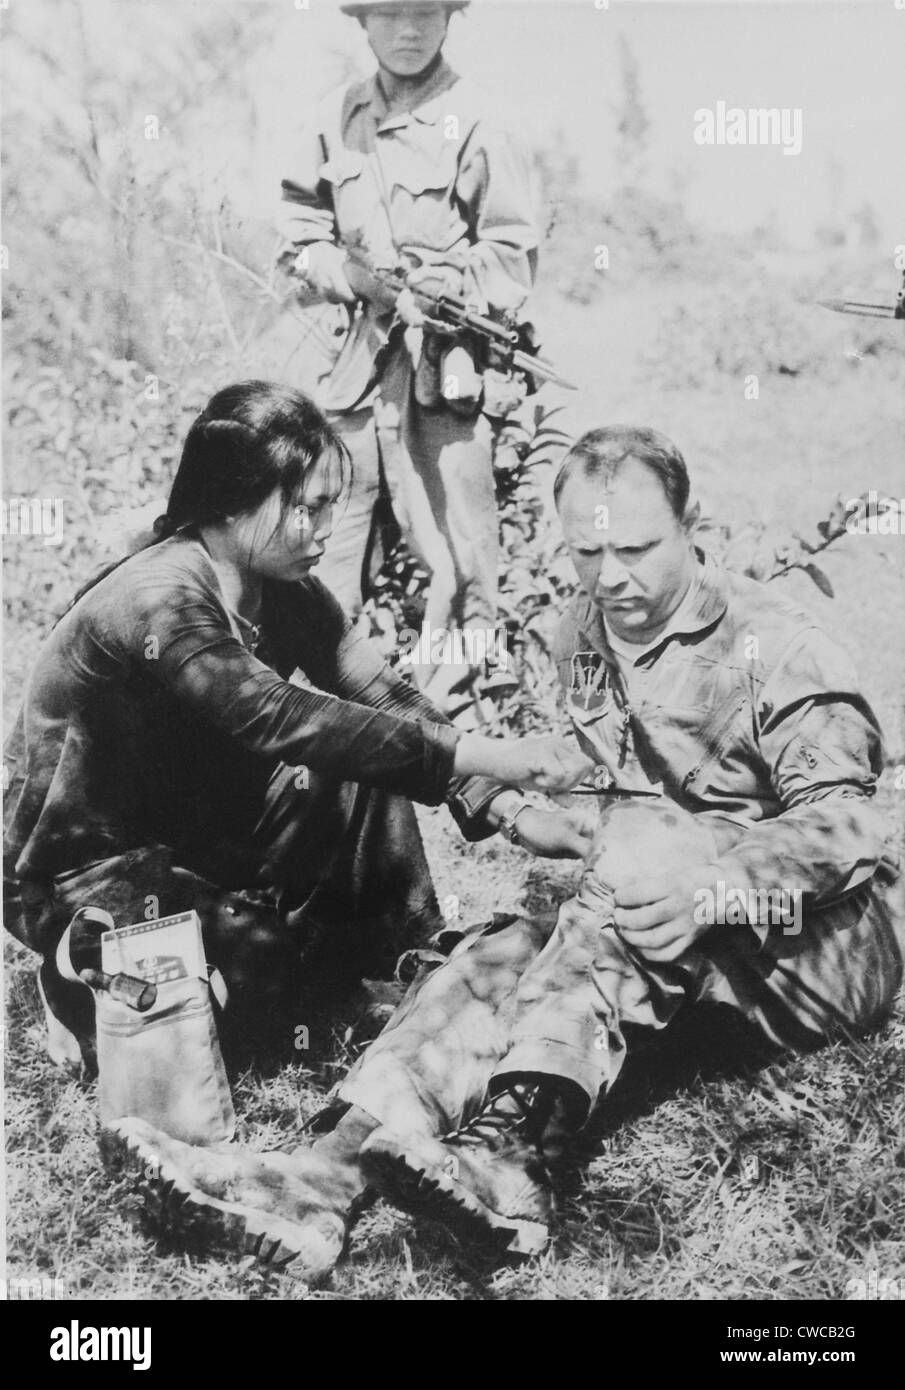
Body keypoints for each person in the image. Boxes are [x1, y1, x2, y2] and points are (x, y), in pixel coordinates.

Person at [102, 423, 901, 1279]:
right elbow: (610, 788)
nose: (611, 578)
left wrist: (709, 888)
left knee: (635, 876)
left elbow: (850, 827)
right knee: (496, 957)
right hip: (651, 938)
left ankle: (514, 1159)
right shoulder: (576, 636)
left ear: (691, 521)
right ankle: (321, 1180)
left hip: (815, 940)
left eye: (636, 548)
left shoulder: (774, 643)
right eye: (585, 552)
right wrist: (547, 816)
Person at [2, 380, 594, 1072]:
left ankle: (400, 955)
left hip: (195, 830)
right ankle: (77, 978)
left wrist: (510, 806)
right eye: (304, 510)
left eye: (328, 509)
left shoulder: (282, 587)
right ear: (231, 500)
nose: (323, 530)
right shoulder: (160, 597)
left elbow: (378, 693)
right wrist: (496, 752)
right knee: (260, 975)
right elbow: (275, 716)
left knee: (357, 756)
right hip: (89, 872)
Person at [277, 0, 539, 719]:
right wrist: (353, 277)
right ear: (361, 21)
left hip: (443, 373)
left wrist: (455, 281)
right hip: (358, 370)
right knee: (326, 542)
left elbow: (514, 251)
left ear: (451, 17)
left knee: (462, 549)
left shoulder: (485, 117)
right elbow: (299, 239)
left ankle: (468, 715)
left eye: (425, 11)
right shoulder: (337, 117)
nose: (408, 29)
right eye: (388, 12)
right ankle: (331, 705)